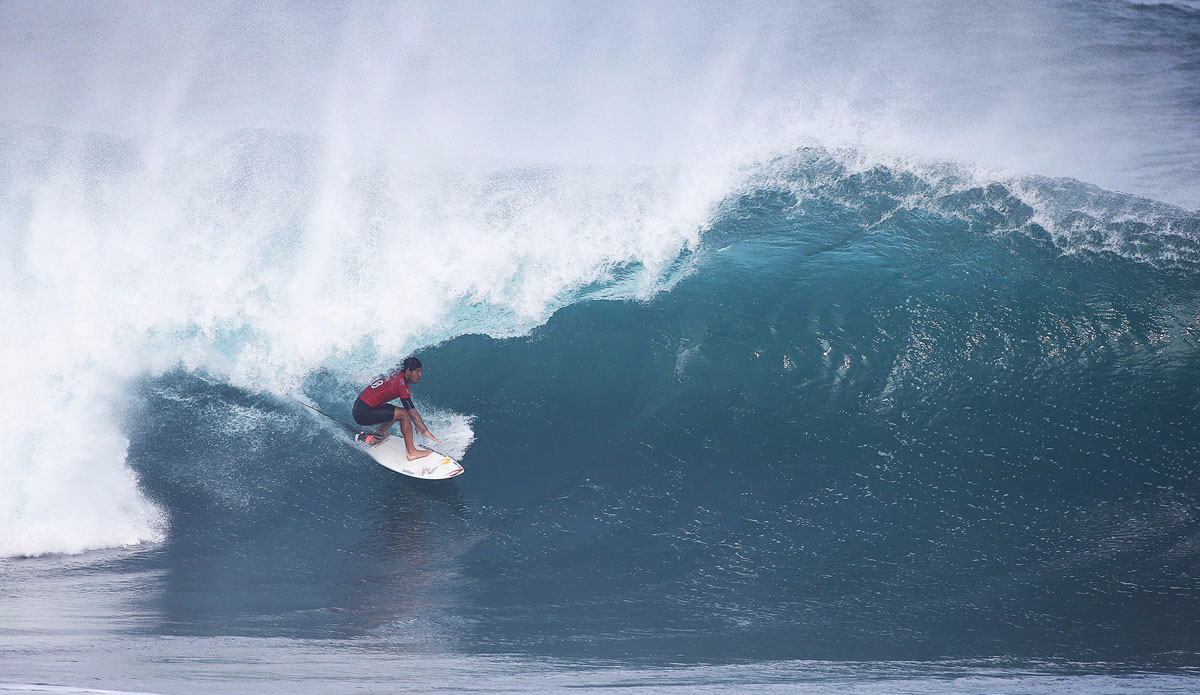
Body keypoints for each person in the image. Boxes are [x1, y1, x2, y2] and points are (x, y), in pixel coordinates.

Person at [351, 356, 440, 460]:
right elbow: (410, 410)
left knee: (394, 412)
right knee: (403, 414)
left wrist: (417, 423)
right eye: (417, 372)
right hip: (363, 413)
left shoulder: (397, 375)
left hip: (360, 407)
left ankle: (377, 438)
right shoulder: (400, 384)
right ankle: (412, 452)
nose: (420, 375)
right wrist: (424, 429)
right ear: (408, 372)